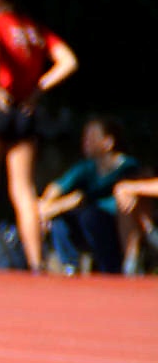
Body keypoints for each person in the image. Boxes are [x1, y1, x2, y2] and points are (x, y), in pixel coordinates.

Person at [0, 0, 78, 270]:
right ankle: (36, 261)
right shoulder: (33, 29)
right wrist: (38, 89)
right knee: (24, 190)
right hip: (24, 111)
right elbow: (68, 61)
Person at [40, 116, 140, 274]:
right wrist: (48, 206)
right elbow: (56, 188)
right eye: (85, 137)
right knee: (60, 219)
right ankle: (70, 267)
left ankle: (111, 268)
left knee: (90, 216)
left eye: (92, 137)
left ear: (108, 143)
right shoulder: (85, 167)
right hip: (88, 223)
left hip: (116, 225)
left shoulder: (129, 167)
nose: (86, 141)